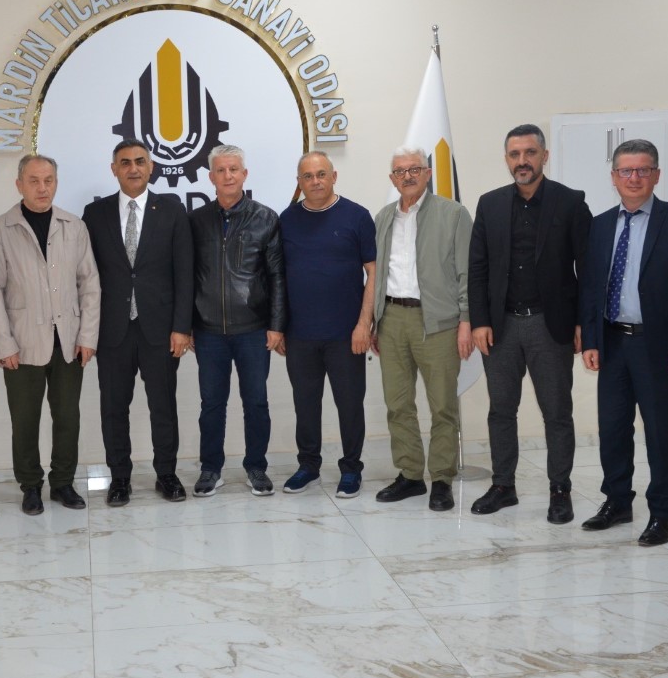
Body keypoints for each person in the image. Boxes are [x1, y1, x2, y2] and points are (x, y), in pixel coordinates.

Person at [579, 138, 668, 546]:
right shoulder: (600, 225)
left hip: (659, 348)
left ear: (656, 175)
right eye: (626, 170)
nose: (634, 177)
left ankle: (663, 512)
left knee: (659, 434)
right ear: (614, 177)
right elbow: (590, 288)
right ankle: (617, 502)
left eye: (642, 170)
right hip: (612, 343)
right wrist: (591, 340)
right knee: (613, 429)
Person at [467, 124, 592, 524]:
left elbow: (588, 270)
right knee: (501, 410)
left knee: (557, 412)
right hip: (501, 327)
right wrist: (479, 321)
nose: (522, 161)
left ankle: (560, 490)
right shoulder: (489, 204)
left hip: (549, 326)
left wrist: (583, 323)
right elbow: (477, 268)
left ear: (544, 156)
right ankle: (503, 486)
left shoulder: (571, 203)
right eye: (514, 154)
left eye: (530, 153)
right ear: (507, 159)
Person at [0, 154, 101, 514]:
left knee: (68, 417)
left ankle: (63, 482)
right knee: (25, 420)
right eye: (34, 181)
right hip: (21, 343)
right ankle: (31, 485)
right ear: (19, 184)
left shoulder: (73, 226)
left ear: (56, 183)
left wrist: (87, 337)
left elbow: (90, 284)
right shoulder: (1, 229)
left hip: (68, 341)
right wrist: (3, 344)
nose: (42, 188)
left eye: (48, 180)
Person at [82, 138, 193, 506]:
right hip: (112, 330)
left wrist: (181, 327)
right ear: (114, 169)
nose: (133, 168)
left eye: (140, 161)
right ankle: (119, 478)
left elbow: (184, 272)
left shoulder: (172, 209)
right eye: (125, 162)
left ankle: (167, 474)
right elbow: (86, 275)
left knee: (163, 406)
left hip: (160, 329)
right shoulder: (95, 214)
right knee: (113, 408)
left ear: (151, 167)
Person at [372, 147, 473, 512]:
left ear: (428, 173)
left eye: (414, 169)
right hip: (391, 320)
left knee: (443, 405)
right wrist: (374, 320)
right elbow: (376, 275)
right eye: (400, 171)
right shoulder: (383, 217)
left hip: (439, 323)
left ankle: (442, 478)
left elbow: (466, 272)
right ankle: (410, 474)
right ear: (392, 179)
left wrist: (466, 321)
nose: (408, 176)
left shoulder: (454, 214)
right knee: (398, 404)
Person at [189, 145, 286, 497]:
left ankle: (256, 467)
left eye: (234, 169)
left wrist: (276, 325)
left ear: (245, 174)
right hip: (208, 331)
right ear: (211, 176)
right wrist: (186, 326)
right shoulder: (196, 221)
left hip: (254, 329)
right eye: (221, 170)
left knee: (256, 402)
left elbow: (276, 276)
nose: (227, 176)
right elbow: (186, 277)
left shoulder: (266, 218)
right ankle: (210, 468)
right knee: (211, 405)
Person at [279, 151, 375, 498]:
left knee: (350, 404)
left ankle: (351, 468)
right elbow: (277, 277)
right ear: (299, 182)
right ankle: (308, 466)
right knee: (305, 405)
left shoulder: (357, 216)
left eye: (321, 174)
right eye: (307, 176)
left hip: (346, 334)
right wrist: (279, 327)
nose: (315, 181)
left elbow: (373, 272)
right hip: (299, 335)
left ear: (334, 176)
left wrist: (364, 324)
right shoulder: (287, 220)